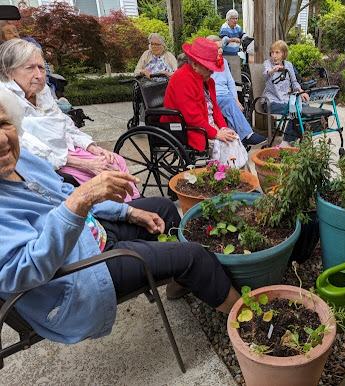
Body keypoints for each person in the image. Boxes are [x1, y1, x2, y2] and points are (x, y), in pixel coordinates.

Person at [0, 91, 239, 344]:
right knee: (195, 256)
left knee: (164, 209)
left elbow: (66, 195)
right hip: (76, 278)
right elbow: (22, 272)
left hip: (92, 235)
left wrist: (129, 211)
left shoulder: (23, 160)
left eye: (4, 123)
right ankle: (246, 324)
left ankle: (181, 280)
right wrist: (79, 202)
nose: (4, 139)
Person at [0, 39, 140, 200]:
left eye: (41, 67)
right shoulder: (5, 100)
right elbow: (30, 148)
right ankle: (123, 211)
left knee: (115, 160)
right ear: (9, 71)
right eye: (30, 68)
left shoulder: (42, 92)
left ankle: (135, 203)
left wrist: (91, 146)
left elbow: (64, 124)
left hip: (68, 151)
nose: (39, 75)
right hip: (50, 164)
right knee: (105, 174)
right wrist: (85, 163)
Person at [160, 37, 238, 152]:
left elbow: (215, 108)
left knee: (234, 140)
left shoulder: (207, 81)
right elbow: (192, 117)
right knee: (229, 147)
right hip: (189, 128)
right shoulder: (182, 79)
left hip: (205, 125)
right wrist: (216, 133)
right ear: (195, 65)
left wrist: (223, 128)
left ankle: (231, 169)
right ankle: (223, 169)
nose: (212, 72)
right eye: (209, 68)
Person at [206, 35, 266, 147]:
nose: (221, 50)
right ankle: (247, 135)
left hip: (226, 95)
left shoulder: (223, 61)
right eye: (217, 48)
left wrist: (236, 100)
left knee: (236, 103)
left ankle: (237, 141)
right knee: (229, 103)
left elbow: (230, 82)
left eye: (221, 47)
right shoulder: (205, 65)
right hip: (214, 96)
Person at [262, 40, 309, 146]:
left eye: (277, 52)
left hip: (286, 100)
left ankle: (293, 138)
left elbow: (294, 82)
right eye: (272, 52)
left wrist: (301, 92)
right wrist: (273, 70)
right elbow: (266, 74)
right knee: (295, 109)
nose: (274, 55)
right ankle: (287, 141)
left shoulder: (288, 65)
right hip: (270, 102)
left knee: (304, 107)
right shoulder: (267, 64)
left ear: (283, 53)